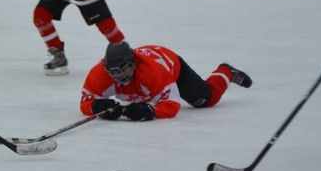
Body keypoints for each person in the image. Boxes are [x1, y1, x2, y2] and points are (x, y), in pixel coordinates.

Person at [80, 42, 252, 121]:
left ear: (134, 63)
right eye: (113, 72)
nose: (119, 76)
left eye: (124, 69)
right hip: (149, 77)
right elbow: (85, 101)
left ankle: (226, 71)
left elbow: (171, 104)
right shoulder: (99, 74)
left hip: (171, 65)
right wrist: (97, 106)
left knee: (207, 99)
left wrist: (151, 110)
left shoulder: (153, 72)